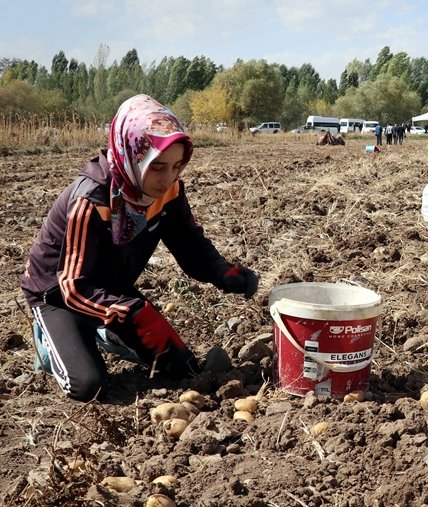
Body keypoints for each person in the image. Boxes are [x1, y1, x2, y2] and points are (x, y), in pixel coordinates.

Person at [20, 94, 259, 402]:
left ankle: (101, 329)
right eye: (157, 166)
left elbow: (188, 243)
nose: (168, 178)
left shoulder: (168, 191)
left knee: (181, 367)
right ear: (131, 155)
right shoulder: (91, 200)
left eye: (176, 166)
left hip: (110, 285)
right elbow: (73, 286)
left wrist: (222, 272)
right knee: (88, 387)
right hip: (58, 293)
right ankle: (52, 337)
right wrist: (130, 312)